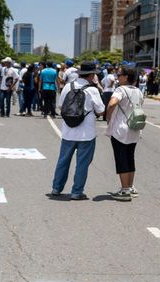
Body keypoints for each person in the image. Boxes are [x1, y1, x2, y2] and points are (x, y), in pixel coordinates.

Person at [49, 61, 105, 201]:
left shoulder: (68, 86)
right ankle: (76, 192)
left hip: (68, 131)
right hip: (87, 134)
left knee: (63, 160)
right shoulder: (92, 90)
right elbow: (101, 110)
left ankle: (56, 188)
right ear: (92, 75)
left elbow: (61, 106)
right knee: (82, 163)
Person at [105, 67, 143, 201]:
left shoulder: (120, 90)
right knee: (130, 157)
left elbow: (112, 104)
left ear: (126, 77)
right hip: (134, 128)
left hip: (120, 129)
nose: (117, 76)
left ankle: (125, 190)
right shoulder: (138, 91)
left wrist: (108, 117)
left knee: (121, 158)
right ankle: (131, 187)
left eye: (119, 74)